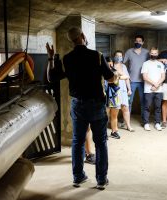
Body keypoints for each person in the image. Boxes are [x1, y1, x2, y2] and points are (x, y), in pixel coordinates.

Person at [46, 27, 117, 190]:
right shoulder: (96, 56)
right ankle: (101, 180)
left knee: (77, 141)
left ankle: (78, 177)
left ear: (72, 40)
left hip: (78, 104)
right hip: (96, 104)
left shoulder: (67, 59)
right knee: (100, 142)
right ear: (83, 36)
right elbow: (111, 78)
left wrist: (51, 58)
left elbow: (51, 78)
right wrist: (115, 74)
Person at [107, 51, 134, 139]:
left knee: (124, 108)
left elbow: (127, 78)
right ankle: (110, 130)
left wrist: (129, 89)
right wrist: (120, 74)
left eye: (120, 56)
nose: (119, 57)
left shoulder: (123, 66)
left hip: (121, 90)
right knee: (107, 112)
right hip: (111, 92)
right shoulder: (110, 67)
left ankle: (126, 126)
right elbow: (115, 77)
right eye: (117, 55)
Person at [123, 35, 149, 124]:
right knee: (129, 101)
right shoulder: (129, 51)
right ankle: (126, 121)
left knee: (143, 102)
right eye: (136, 41)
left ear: (143, 42)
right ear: (134, 42)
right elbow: (122, 63)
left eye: (140, 41)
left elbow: (151, 64)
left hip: (144, 81)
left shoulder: (147, 52)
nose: (138, 42)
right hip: (131, 81)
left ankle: (143, 120)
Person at [141, 47, 166, 131]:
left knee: (158, 107)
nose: (154, 55)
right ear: (150, 54)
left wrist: (157, 85)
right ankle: (146, 123)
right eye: (152, 53)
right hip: (149, 89)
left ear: (157, 54)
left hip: (159, 90)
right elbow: (144, 77)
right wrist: (154, 84)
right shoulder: (146, 64)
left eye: (155, 53)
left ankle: (157, 123)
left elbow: (163, 76)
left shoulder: (160, 64)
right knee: (147, 107)